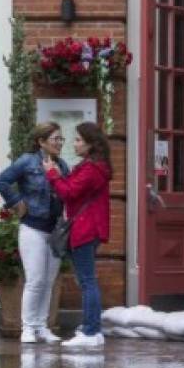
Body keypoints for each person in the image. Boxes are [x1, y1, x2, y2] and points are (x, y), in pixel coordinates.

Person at [0, 122, 69, 344]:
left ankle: (42, 326)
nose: (59, 143)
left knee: (48, 280)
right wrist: (17, 202)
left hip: (54, 230)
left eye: (60, 139)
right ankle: (27, 328)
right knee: (35, 279)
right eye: (55, 139)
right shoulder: (27, 162)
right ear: (41, 142)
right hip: (33, 229)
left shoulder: (62, 166)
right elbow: (1, 181)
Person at [44, 121, 112, 348]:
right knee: (86, 280)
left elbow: (69, 192)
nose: (74, 143)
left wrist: (52, 175)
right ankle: (91, 329)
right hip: (86, 227)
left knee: (87, 281)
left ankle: (92, 332)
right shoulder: (90, 166)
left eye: (78, 140)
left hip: (85, 228)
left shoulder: (92, 169)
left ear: (91, 144)